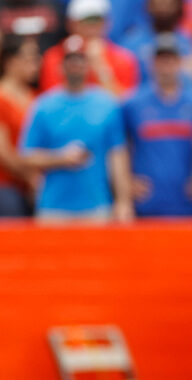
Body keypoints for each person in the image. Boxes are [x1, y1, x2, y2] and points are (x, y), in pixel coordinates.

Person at [20, 34, 132, 221]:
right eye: (70, 61)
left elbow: (118, 156)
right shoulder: (44, 106)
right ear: (60, 66)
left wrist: (123, 201)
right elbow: (27, 156)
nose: (76, 66)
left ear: (88, 65)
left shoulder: (106, 104)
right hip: (54, 208)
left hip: (97, 207)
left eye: (81, 60)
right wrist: (60, 158)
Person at [123, 33, 192, 217]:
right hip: (145, 203)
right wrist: (126, 182)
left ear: (180, 63)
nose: (166, 67)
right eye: (161, 60)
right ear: (152, 64)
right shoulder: (132, 104)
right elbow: (119, 147)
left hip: (186, 203)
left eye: (171, 60)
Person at [38, 0, 139, 97]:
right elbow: (52, 103)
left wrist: (99, 66)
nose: (91, 27)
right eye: (85, 21)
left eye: (96, 20)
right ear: (71, 23)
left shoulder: (123, 58)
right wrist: (71, 64)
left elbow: (125, 105)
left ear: (107, 23)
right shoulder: (55, 57)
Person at [0, 34, 40, 217]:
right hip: (7, 184)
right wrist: (31, 177)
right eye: (28, 58)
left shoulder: (37, 97)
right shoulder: (2, 97)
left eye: (37, 58)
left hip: (34, 184)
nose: (36, 64)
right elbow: (4, 153)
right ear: (10, 61)